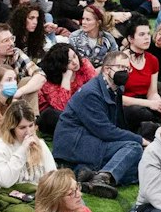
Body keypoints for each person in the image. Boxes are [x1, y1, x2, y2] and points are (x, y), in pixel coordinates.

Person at [53, 53, 147, 193]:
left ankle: (87, 173)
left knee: (138, 166)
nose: (125, 72)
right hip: (74, 143)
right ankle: (102, 177)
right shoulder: (91, 93)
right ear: (107, 69)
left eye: (127, 69)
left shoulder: (115, 89)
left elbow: (115, 125)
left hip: (90, 139)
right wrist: (140, 140)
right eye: (121, 67)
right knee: (134, 148)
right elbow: (105, 131)